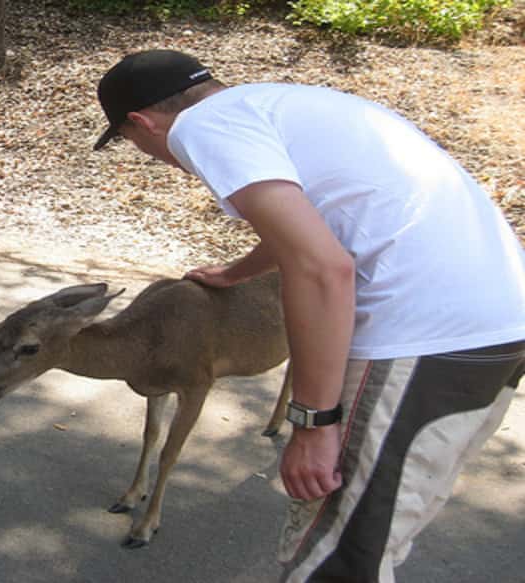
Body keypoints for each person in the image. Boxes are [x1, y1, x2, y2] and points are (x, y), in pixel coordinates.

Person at [93, 49, 525, 582]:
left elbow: (323, 268)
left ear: (141, 122)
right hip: (498, 323)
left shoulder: (201, 127)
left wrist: (315, 424)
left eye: (133, 143)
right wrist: (239, 271)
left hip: (420, 334)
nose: (151, 154)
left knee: (335, 556)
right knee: (376, 532)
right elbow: (321, 221)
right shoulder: (277, 103)